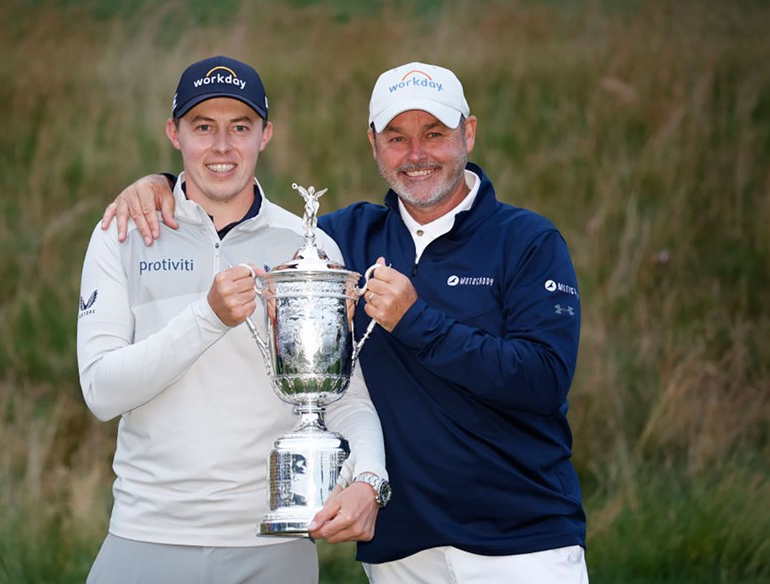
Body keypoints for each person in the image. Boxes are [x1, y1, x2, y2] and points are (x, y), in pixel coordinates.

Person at [103, 61, 588, 583]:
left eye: (434, 134)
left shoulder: (527, 241)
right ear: (374, 143)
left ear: (467, 132)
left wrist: (417, 321)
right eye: (397, 137)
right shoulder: (343, 241)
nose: (417, 154)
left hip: (522, 544)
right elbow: (242, 207)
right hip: (400, 549)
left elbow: (542, 380)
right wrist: (158, 186)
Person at [77, 55, 388, 584]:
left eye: (239, 127)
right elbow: (101, 391)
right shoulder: (122, 233)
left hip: (272, 546)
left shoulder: (307, 246)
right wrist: (208, 317)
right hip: (146, 537)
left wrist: (369, 479)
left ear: (265, 135)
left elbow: (344, 397)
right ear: (174, 134)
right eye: (204, 127)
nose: (222, 147)